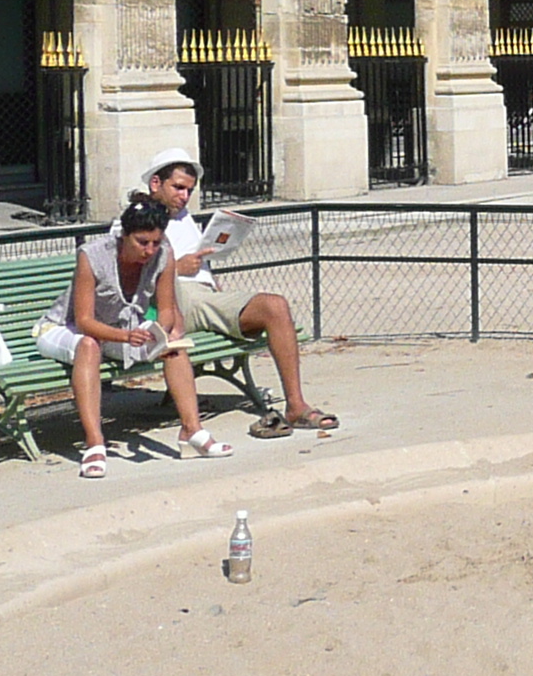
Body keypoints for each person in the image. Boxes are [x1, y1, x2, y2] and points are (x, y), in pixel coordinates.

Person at [134, 148, 336, 440]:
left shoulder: (183, 217)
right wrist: (176, 268)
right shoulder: (134, 221)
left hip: (202, 298)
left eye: (189, 190)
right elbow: (128, 276)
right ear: (155, 184)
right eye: (178, 187)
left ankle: (296, 404)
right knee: (268, 306)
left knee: (275, 306)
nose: (184, 196)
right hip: (172, 299)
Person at [36, 196, 231, 477]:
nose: (149, 250)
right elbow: (84, 321)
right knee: (89, 346)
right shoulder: (92, 255)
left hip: (123, 330)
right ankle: (94, 444)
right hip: (65, 329)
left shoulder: (163, 254)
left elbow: (166, 309)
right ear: (124, 235)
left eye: (155, 242)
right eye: (142, 242)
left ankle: (192, 430)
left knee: (174, 348)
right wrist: (127, 336)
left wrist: (156, 334)